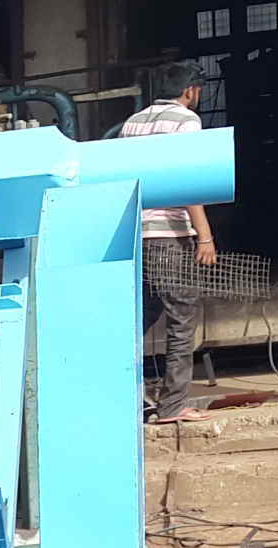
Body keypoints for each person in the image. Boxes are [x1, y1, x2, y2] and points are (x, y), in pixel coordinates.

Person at [114, 63, 220, 424]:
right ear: (191, 90)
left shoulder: (133, 123)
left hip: (134, 235)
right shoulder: (186, 121)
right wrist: (203, 235)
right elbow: (186, 179)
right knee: (181, 317)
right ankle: (173, 406)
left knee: (141, 314)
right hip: (168, 235)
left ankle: (134, 398)